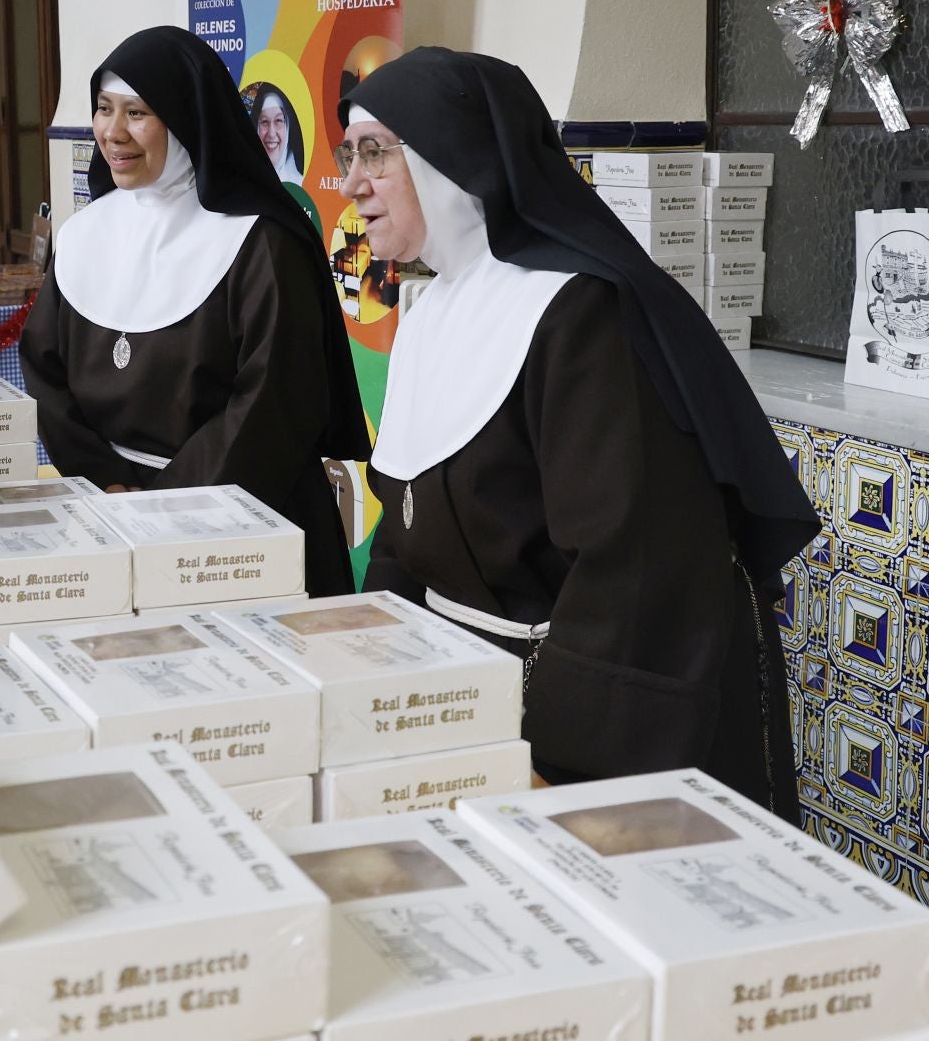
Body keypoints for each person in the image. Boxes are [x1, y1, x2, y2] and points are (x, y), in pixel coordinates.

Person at [341, 46, 817, 814]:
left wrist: (557, 765)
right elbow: (404, 526)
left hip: (575, 724)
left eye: (374, 153)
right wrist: (380, 676)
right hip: (464, 707)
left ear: (452, 161)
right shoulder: (432, 310)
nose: (352, 183)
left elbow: (632, 572)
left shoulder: (580, 316)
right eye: (348, 154)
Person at [21, 27, 367, 591]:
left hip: (242, 522)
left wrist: (163, 507)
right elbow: (44, 370)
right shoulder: (85, 234)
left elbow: (274, 401)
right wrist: (104, 481)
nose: (112, 132)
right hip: (112, 517)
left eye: (137, 113)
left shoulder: (263, 242)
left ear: (186, 118)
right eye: (104, 109)